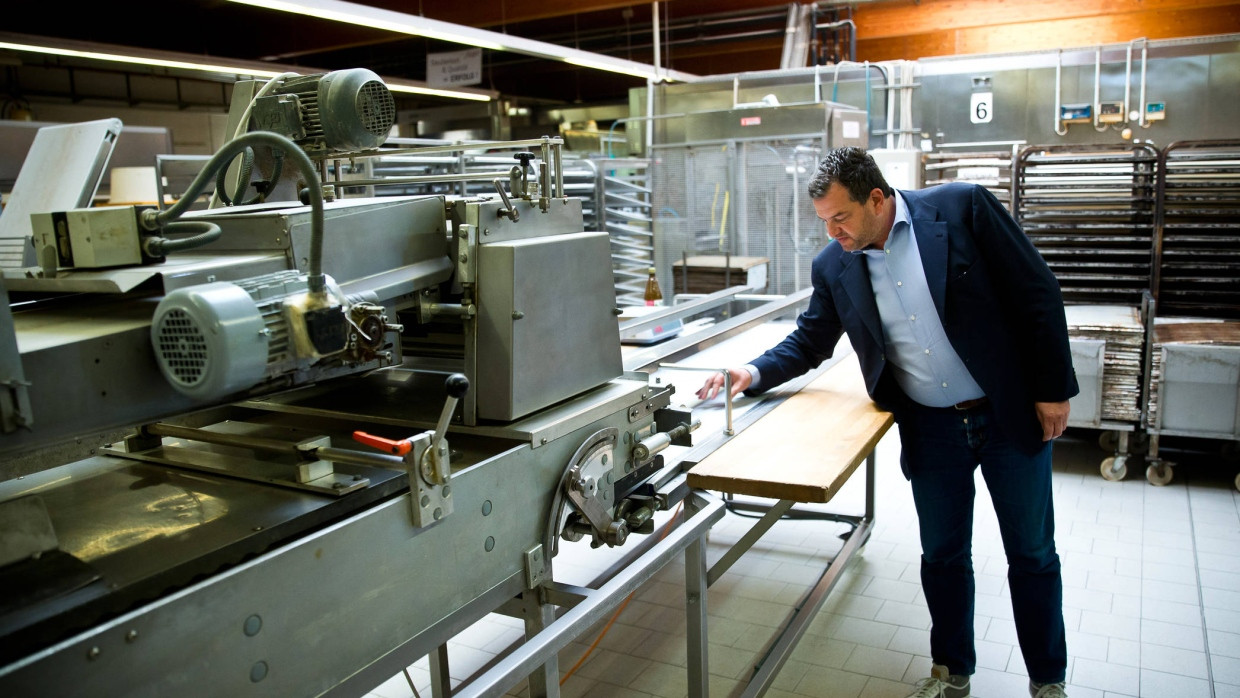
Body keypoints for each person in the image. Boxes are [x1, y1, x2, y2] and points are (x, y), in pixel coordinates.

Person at [697, 147, 1076, 698]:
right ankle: (952, 674)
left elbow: (1036, 292)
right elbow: (811, 340)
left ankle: (1047, 681)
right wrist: (751, 371)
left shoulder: (962, 209)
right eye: (823, 221)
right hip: (931, 428)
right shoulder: (834, 265)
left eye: (840, 217)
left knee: (1033, 552)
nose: (832, 233)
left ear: (876, 198)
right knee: (943, 555)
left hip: (1005, 414)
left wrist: (1052, 389)